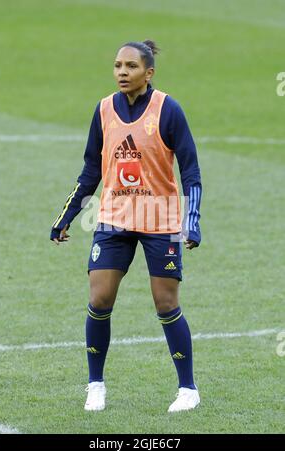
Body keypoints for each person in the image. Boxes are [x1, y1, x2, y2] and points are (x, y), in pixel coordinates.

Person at [50, 40, 202, 413]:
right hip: (113, 219)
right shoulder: (103, 111)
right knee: (100, 299)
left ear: (148, 73)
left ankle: (188, 389)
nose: (122, 72)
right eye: (118, 65)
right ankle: (96, 385)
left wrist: (191, 221)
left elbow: (191, 172)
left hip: (159, 220)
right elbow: (90, 171)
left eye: (131, 66)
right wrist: (66, 215)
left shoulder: (168, 110)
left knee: (166, 303)